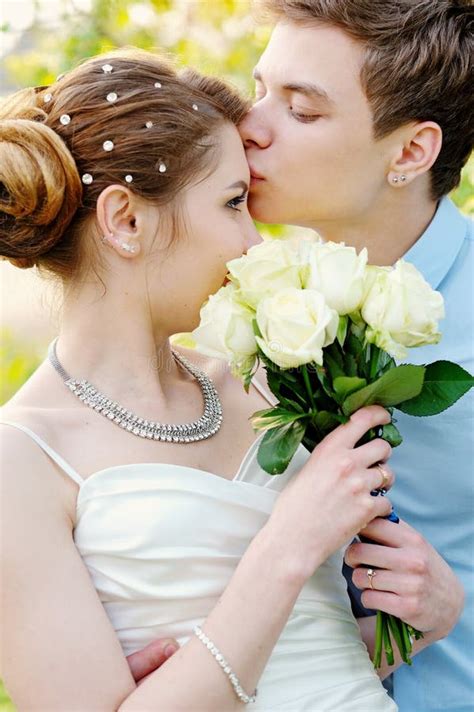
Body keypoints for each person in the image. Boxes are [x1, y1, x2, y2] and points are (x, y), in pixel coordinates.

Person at [0, 48, 400, 710]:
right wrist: (289, 546)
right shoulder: (20, 460)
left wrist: (416, 622)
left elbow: (309, 654)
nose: (254, 243)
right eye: (233, 202)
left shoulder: (268, 380)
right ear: (126, 221)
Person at [125, 1, 473, 709]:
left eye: (302, 111)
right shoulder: (245, 302)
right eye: (260, 90)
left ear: (410, 152)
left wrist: (453, 602)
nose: (250, 127)